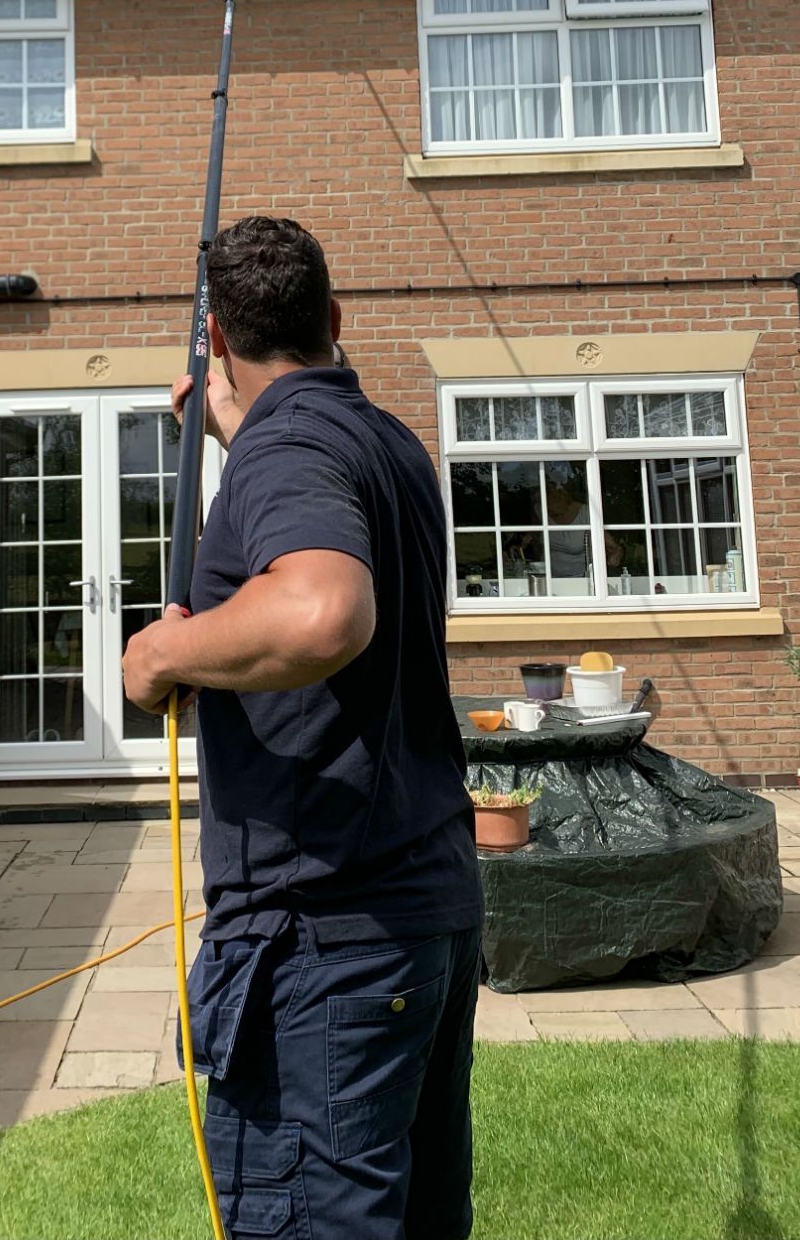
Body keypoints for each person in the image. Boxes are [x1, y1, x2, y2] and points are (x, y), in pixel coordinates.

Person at [122, 216, 483, 1240]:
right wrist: (243, 425)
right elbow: (311, 480)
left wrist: (160, 656)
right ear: (334, 319)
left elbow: (324, 608)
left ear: (219, 336)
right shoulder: (387, 439)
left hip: (325, 936)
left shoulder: (288, 448)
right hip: (423, 913)